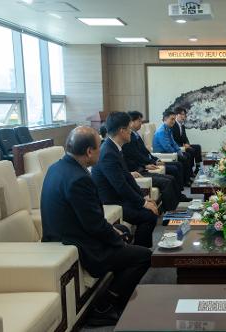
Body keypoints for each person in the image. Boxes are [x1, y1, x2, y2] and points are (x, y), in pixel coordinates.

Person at [40, 126, 151, 326]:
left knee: (124, 231)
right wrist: (116, 238)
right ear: (89, 151)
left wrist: (115, 232)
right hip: (77, 244)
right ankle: (105, 305)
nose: (101, 151)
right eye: (99, 148)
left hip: (67, 233)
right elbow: (94, 226)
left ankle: (116, 292)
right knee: (143, 256)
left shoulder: (57, 167)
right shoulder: (79, 179)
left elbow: (89, 219)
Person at [92, 112, 159, 248]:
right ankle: (141, 252)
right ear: (122, 131)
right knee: (149, 215)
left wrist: (143, 198)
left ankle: (142, 251)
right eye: (129, 128)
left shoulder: (115, 148)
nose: (131, 132)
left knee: (149, 211)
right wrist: (143, 204)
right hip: (111, 201)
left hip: (120, 197)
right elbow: (121, 186)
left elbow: (127, 178)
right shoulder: (108, 153)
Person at [122, 111, 190, 207]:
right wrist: (146, 165)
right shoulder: (129, 139)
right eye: (139, 121)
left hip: (145, 164)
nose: (141, 124)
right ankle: (171, 210)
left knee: (172, 175)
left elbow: (145, 152)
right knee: (171, 175)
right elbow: (136, 156)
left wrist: (155, 160)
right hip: (140, 169)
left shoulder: (135, 135)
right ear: (131, 122)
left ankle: (178, 197)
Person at [153, 110, 194, 182]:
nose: (173, 121)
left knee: (186, 155)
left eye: (174, 119)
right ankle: (186, 181)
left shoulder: (168, 129)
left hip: (168, 153)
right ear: (165, 119)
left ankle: (187, 178)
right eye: (172, 119)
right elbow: (167, 147)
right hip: (163, 155)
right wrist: (177, 154)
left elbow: (173, 143)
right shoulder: (161, 131)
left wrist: (178, 151)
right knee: (183, 160)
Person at [172, 107, 203, 173]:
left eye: (184, 115)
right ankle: (190, 171)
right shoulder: (173, 125)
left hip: (183, 145)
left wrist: (187, 143)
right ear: (177, 115)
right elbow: (172, 140)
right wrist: (183, 147)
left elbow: (185, 138)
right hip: (178, 147)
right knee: (191, 150)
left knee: (197, 147)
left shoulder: (182, 125)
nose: (184, 116)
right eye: (182, 114)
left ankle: (198, 167)